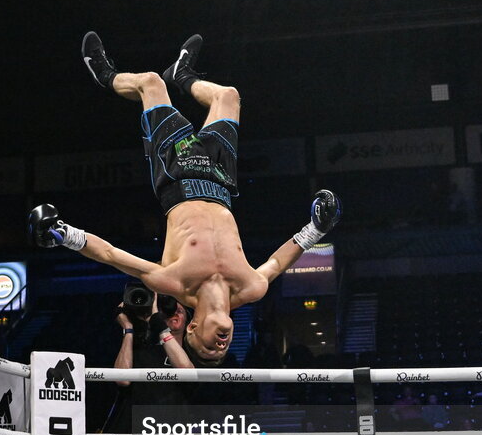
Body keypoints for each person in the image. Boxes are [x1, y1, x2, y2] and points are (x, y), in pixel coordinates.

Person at [31, 33, 341, 363]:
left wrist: (62, 233)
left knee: (150, 83)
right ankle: (183, 75)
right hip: (221, 180)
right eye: (222, 351)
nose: (220, 346)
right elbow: (278, 263)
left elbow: (110, 254)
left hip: (177, 175)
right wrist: (317, 229)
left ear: (191, 328)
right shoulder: (252, 287)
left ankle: (105, 75)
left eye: (208, 348)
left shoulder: (173, 281)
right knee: (228, 96)